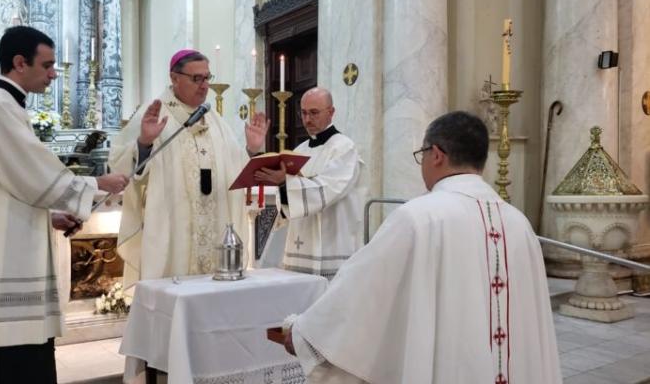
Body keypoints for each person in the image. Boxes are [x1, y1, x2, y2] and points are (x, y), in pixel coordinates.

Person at [282, 111, 562, 383]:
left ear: (437, 155)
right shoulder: (520, 224)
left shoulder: (419, 217)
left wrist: (303, 332)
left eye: (422, 155)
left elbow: (361, 293)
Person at [0, 26, 128, 384]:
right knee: (12, 354)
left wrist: (48, 216)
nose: (53, 74)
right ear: (20, 62)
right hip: (5, 261)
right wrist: (97, 183)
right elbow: (31, 173)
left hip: (9, 243)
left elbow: (9, 186)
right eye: (47, 65)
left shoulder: (1, 106)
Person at [108, 49, 269, 284]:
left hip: (216, 232)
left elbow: (237, 175)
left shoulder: (215, 121)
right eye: (197, 79)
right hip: (172, 235)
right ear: (174, 78)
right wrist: (144, 142)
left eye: (207, 78)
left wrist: (252, 150)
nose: (204, 86)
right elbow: (123, 167)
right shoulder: (153, 114)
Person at [254, 87, 363, 279]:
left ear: (331, 112)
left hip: (333, 244)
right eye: (303, 113)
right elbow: (289, 202)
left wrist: (286, 183)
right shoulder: (300, 150)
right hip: (301, 243)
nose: (307, 119)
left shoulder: (344, 147)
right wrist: (282, 185)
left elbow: (328, 189)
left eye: (314, 113)